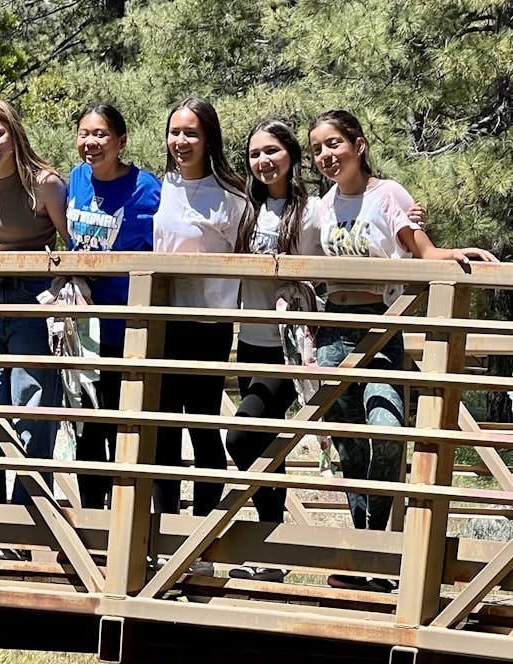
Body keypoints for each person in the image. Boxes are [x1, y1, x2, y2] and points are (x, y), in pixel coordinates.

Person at [308, 109, 497, 592]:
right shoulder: (322, 206)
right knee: (349, 446)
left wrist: (458, 254)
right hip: (334, 330)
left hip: (381, 326)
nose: (326, 156)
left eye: (334, 144)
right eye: (317, 149)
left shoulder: (388, 194)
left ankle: (378, 552)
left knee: (388, 430)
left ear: (359, 144)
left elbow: (424, 252)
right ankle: (365, 558)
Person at [0, 96, 68, 561]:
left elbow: (72, 246)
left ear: (14, 133)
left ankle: (24, 533)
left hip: (32, 302)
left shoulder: (45, 184)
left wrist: (61, 301)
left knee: (32, 411)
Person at [225, 118, 323, 582]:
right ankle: (271, 552)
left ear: (292, 156)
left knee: (243, 436)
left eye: (272, 152)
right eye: (255, 154)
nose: (263, 161)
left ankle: (272, 540)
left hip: (289, 347)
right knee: (263, 443)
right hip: (250, 341)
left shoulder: (313, 210)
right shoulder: (245, 206)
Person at [153, 96, 246, 523]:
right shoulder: (164, 186)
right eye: (175, 132)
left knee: (203, 425)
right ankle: (165, 524)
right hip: (164, 322)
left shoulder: (231, 195)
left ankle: (204, 531)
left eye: (191, 132)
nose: (181, 140)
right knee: (164, 428)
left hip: (209, 323)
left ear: (209, 137)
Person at [66, 103, 161, 509]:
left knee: (125, 429)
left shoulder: (147, 188)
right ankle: (91, 521)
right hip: (84, 330)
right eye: (85, 133)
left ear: (121, 140)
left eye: (101, 134)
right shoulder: (75, 179)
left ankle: (127, 520)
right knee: (87, 429)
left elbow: (163, 252)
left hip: (129, 329)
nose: (92, 142)